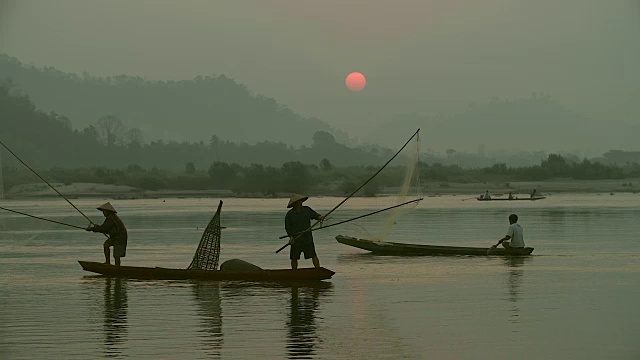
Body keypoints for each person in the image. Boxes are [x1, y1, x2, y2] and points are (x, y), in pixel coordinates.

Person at [285, 194, 324, 270]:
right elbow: (288, 227)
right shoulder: (290, 214)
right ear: (294, 204)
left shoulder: (307, 210)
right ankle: (294, 272)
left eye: (300, 201)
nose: (300, 203)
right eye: (298, 202)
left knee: (313, 255)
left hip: (307, 238)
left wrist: (319, 217)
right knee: (294, 258)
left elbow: (315, 215)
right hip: (296, 239)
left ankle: (318, 270)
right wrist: (291, 237)